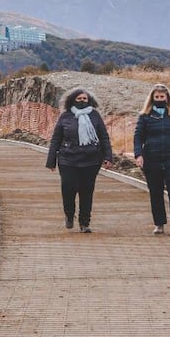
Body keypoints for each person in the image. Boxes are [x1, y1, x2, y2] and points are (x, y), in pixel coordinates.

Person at [46, 87, 113, 233]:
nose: (82, 101)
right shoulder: (65, 116)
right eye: (79, 99)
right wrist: (51, 160)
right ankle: (69, 215)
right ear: (73, 100)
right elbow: (56, 138)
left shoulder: (95, 115)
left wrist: (108, 156)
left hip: (91, 159)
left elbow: (104, 137)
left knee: (87, 192)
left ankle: (85, 223)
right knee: (68, 189)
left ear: (89, 101)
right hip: (68, 159)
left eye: (85, 99)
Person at [133, 84, 170, 234]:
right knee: (155, 191)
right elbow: (138, 136)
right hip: (152, 157)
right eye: (157, 97)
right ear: (152, 98)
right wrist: (138, 154)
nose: (159, 99)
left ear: (167, 98)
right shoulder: (145, 116)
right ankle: (159, 223)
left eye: (162, 97)